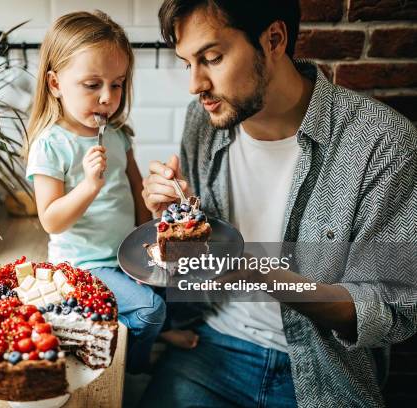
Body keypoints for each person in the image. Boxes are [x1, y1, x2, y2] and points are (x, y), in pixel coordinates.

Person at [140, 0, 417, 406]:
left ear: (273, 39)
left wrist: (261, 274)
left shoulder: (383, 143)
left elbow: (392, 308)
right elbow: (193, 270)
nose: (195, 84)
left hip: (323, 372)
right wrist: (171, 221)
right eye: (187, 64)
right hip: (210, 345)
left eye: (212, 58)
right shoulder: (203, 120)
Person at [25, 11, 197, 374]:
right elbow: (51, 220)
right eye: (92, 85)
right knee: (151, 309)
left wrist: (146, 244)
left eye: (117, 84)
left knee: (177, 275)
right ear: (55, 84)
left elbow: (135, 190)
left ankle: (155, 332)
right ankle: (131, 366)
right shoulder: (51, 145)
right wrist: (89, 186)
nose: (107, 97)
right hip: (82, 265)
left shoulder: (117, 135)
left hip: (123, 253)